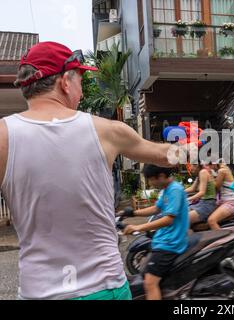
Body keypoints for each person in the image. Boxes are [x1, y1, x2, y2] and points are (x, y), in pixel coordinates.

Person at [0, 42, 175, 300]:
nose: (81, 93)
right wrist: (195, 148)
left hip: (38, 292)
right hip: (103, 288)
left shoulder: (4, 137)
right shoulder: (107, 130)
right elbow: (165, 157)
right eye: (80, 80)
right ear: (65, 82)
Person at [123, 165, 189, 300]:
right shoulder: (167, 190)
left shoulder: (175, 190)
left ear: (161, 176)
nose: (150, 183)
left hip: (170, 244)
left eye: (151, 179)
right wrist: (133, 212)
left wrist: (138, 227)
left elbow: (168, 219)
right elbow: (156, 209)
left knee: (149, 283)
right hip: (164, 239)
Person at [207, 159, 234, 230]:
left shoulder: (221, 171)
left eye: (210, 166)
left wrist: (209, 175)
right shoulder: (225, 168)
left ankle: (224, 240)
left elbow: (216, 187)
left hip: (230, 202)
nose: (211, 168)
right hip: (225, 201)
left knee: (211, 221)